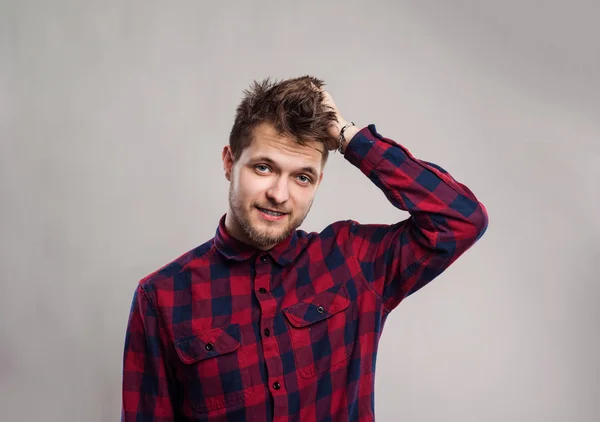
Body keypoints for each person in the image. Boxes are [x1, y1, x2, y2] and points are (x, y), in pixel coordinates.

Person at [121, 75, 489, 422]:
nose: (279, 195)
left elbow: (460, 218)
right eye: (264, 168)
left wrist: (348, 137)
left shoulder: (353, 262)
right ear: (230, 162)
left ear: (318, 182)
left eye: (302, 177)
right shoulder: (161, 298)